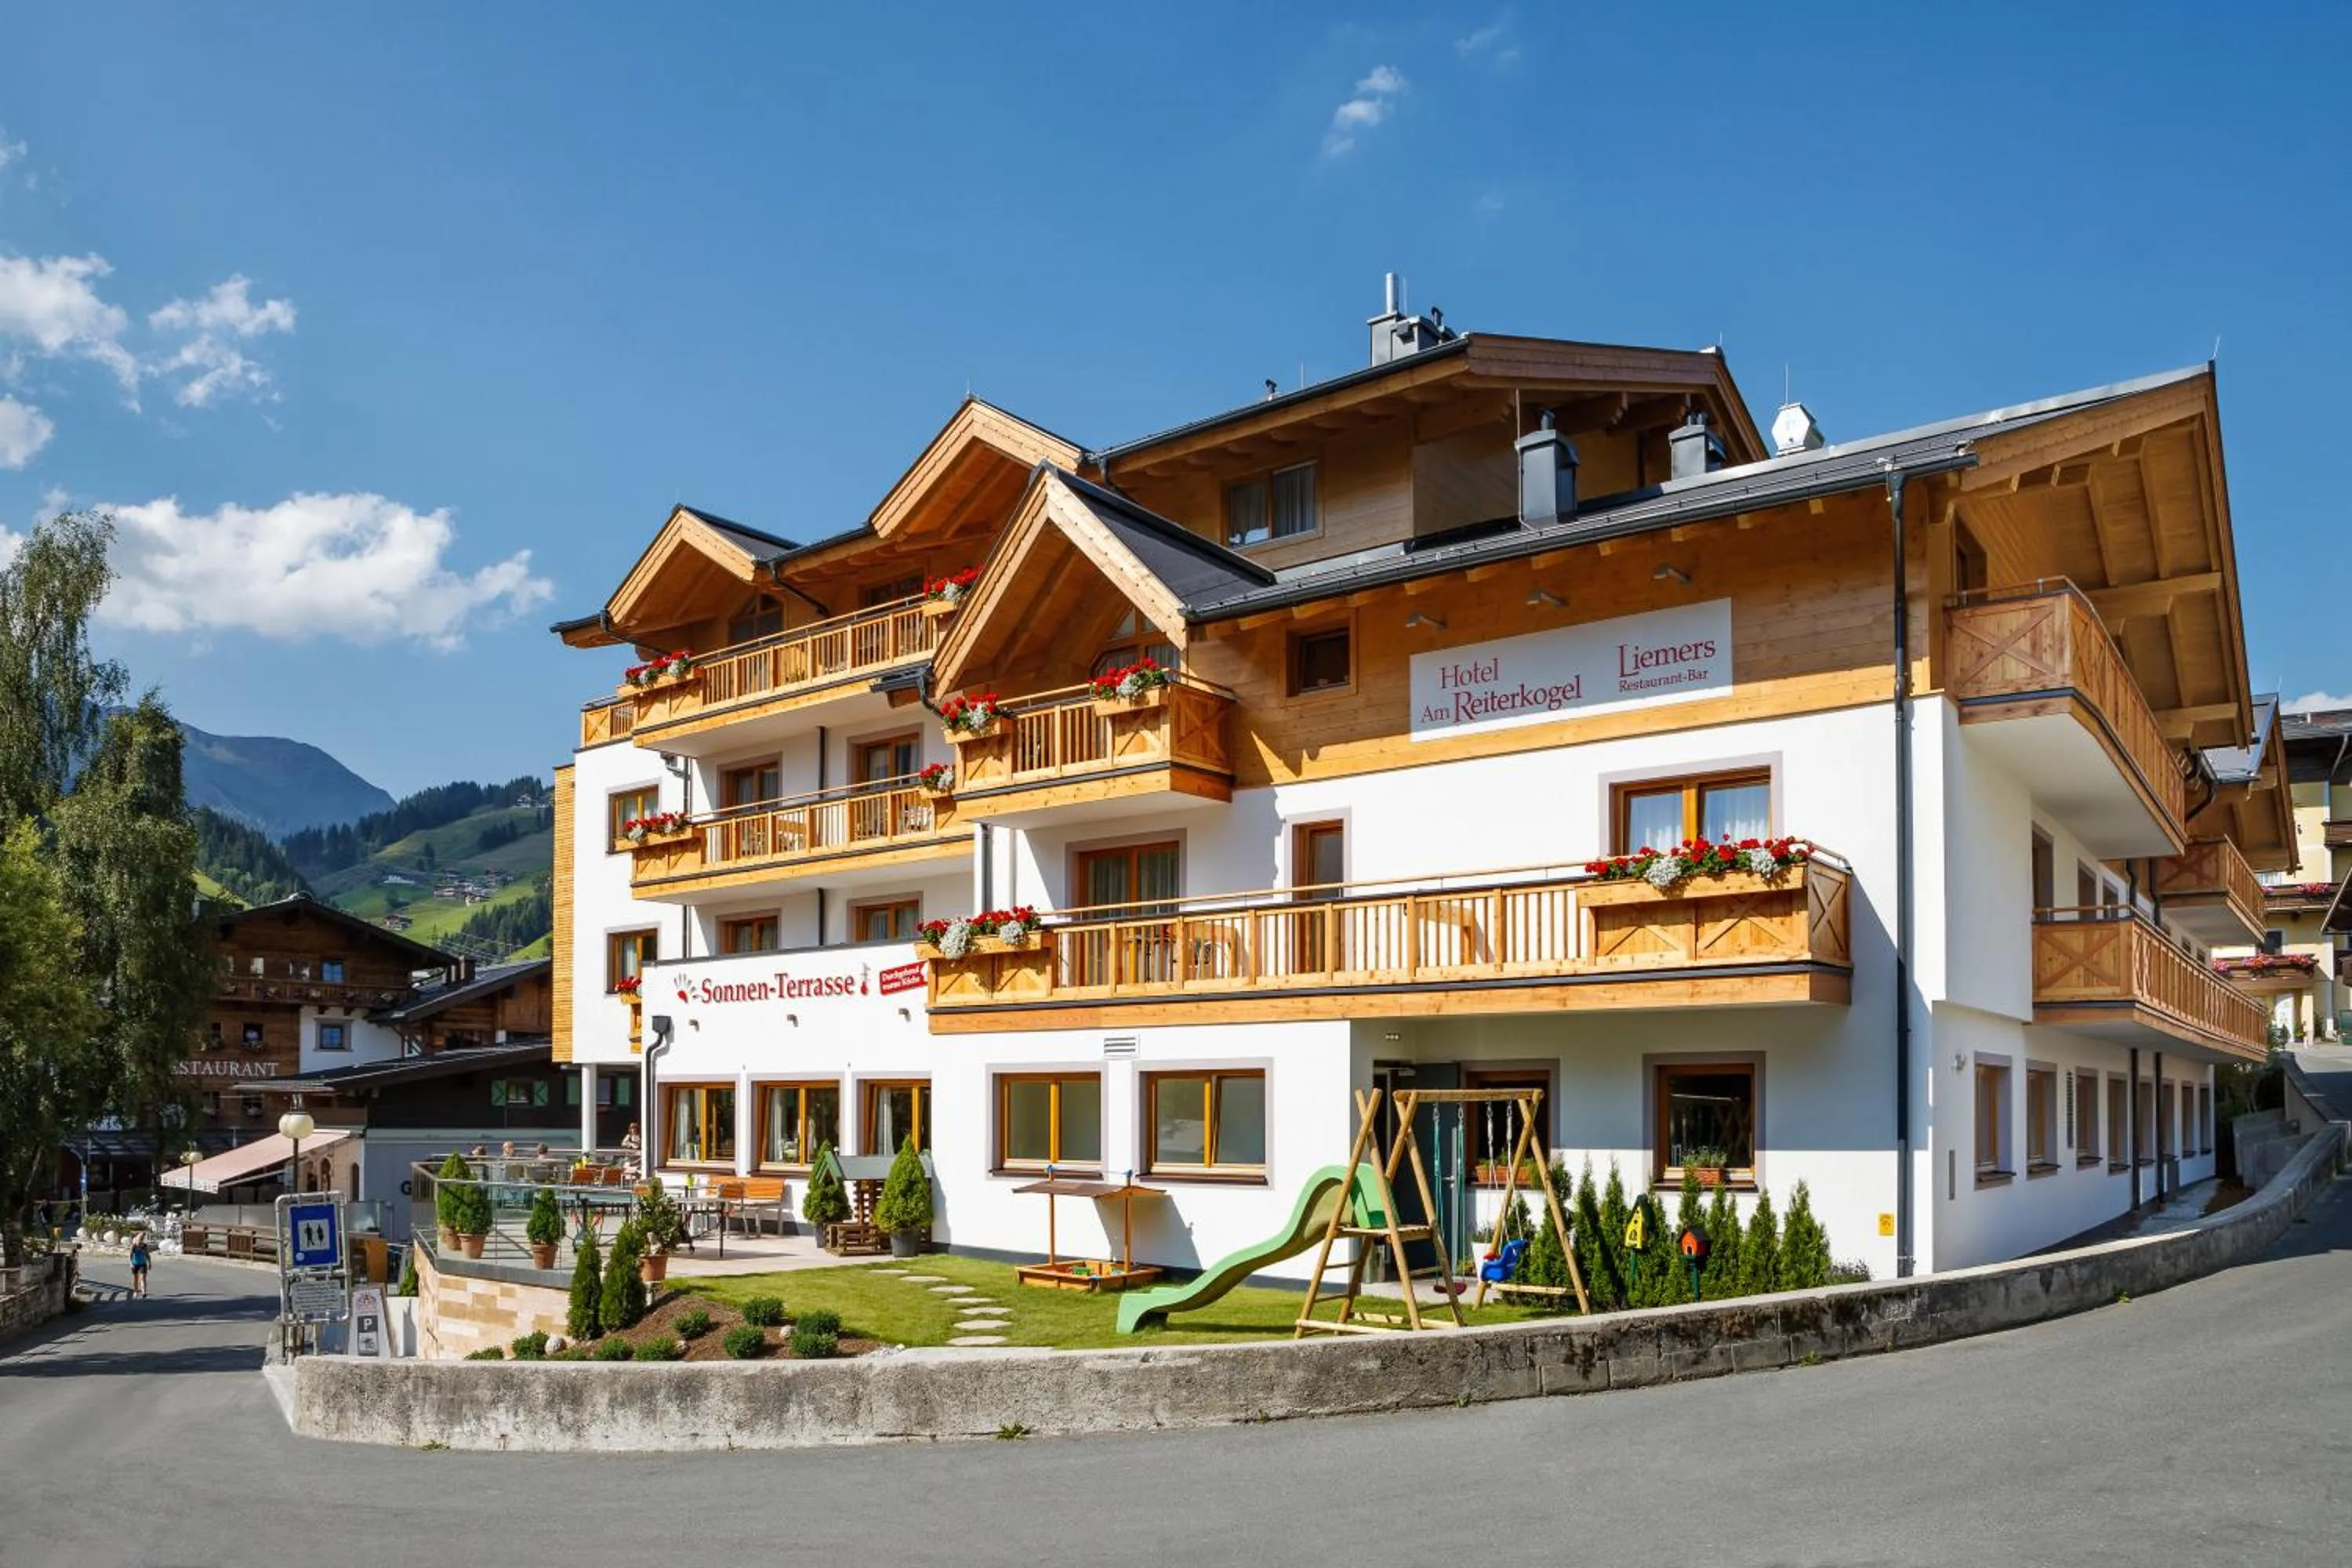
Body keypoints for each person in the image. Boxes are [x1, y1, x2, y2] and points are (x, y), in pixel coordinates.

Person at [128, 1232, 151, 1299]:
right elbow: (130, 1256)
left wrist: (149, 1263)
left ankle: (144, 1292)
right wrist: (131, 1264)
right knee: (135, 1279)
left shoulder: (145, 1246)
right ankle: (136, 1291)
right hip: (135, 1264)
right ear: (137, 1239)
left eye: (142, 1239)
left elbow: (147, 1255)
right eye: (139, 1238)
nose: (140, 1240)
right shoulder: (134, 1246)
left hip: (143, 1264)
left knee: (143, 1278)